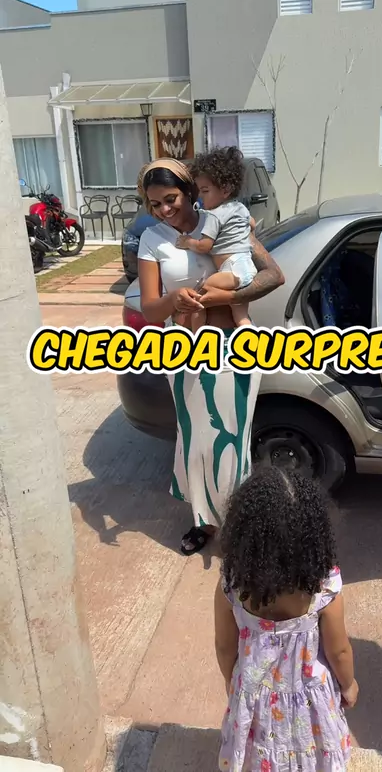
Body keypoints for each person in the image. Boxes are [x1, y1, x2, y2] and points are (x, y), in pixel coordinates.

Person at [137, 158, 285, 555]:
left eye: (171, 199)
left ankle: (239, 522)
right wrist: (173, 299)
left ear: (189, 191)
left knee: (234, 438)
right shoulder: (152, 239)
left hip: (235, 349)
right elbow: (150, 310)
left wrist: (223, 297)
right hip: (185, 351)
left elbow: (273, 275)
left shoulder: (222, 220)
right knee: (195, 441)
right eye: (155, 204)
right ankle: (203, 520)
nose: (164, 210)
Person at [215, 467, 358, 772]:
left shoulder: (232, 584)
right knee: (311, 752)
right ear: (315, 535)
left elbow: (224, 646)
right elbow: (339, 651)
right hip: (310, 701)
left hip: (254, 693)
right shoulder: (323, 587)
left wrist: (232, 681)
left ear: (243, 535)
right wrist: (348, 684)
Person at [175, 147, 256, 331]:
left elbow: (204, 246)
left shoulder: (215, 215)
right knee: (241, 318)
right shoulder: (240, 208)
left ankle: (196, 335)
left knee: (199, 298)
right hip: (246, 267)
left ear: (225, 190)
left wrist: (188, 242)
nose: (200, 196)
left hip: (231, 270)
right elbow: (252, 224)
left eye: (205, 191)